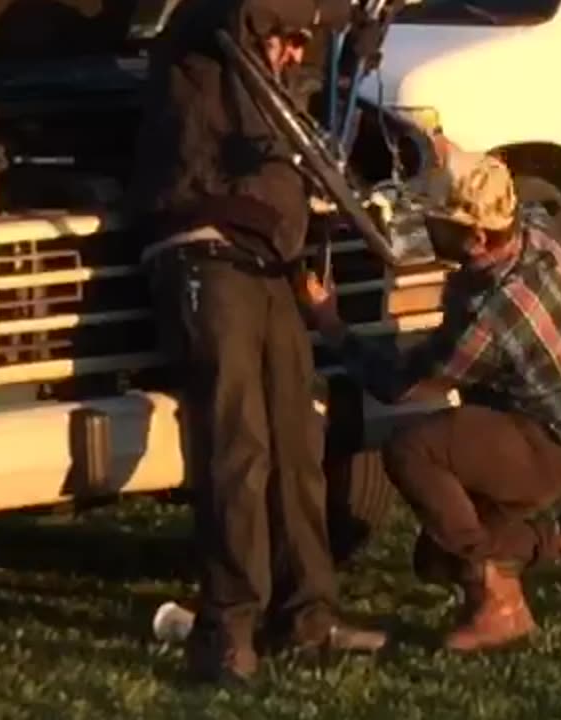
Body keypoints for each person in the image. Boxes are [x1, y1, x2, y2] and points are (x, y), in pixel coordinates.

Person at [299, 149, 561, 653]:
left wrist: (330, 322)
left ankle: (497, 602)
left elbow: (400, 383)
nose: (427, 227)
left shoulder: (494, 311)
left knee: (412, 450)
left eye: (438, 222)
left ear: (476, 237)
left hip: (551, 438)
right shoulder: (532, 231)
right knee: (435, 556)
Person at [127, 0, 387, 685]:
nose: (295, 52)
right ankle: (229, 628)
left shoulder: (277, 72)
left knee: (298, 442)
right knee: (238, 445)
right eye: (292, 40)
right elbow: (248, 8)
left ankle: (309, 614)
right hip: (205, 248)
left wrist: (360, 28)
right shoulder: (202, 29)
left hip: (271, 257)